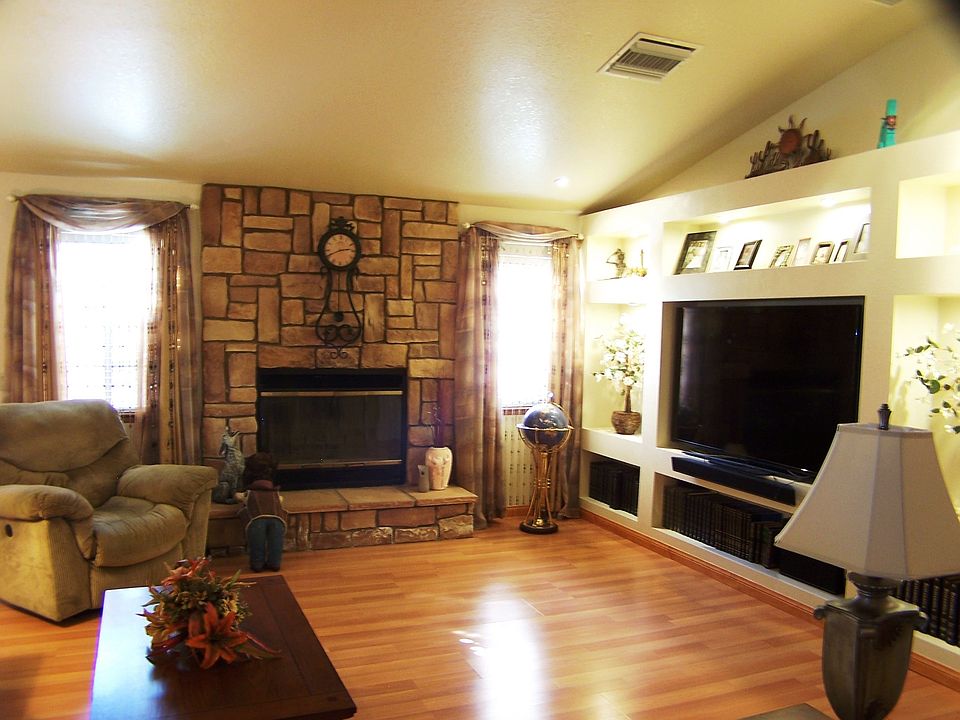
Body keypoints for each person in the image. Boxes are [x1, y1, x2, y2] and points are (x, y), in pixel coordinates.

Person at [238, 452, 287, 572]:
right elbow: (281, 500)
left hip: (256, 521)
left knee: (257, 544)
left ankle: (257, 565)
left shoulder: (248, 493)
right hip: (278, 520)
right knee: (276, 543)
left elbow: (238, 496)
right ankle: (274, 563)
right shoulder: (276, 494)